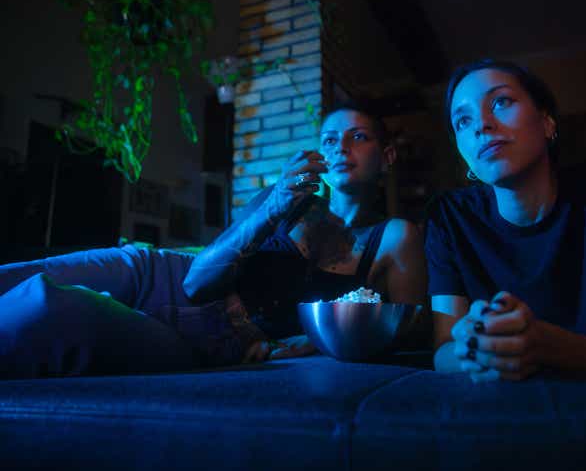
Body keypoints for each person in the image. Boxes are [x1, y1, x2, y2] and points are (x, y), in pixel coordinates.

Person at [0, 104, 426, 377]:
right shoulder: (287, 201)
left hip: (212, 343)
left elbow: (404, 338)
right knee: (13, 278)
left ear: (386, 156)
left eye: (358, 137)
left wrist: (307, 348)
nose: (340, 148)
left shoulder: (394, 237)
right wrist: (273, 206)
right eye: (330, 139)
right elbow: (197, 280)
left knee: (45, 307)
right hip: (158, 273)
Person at [426, 59, 586, 382]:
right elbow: (444, 351)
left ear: (547, 122)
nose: (481, 126)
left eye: (501, 102)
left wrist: (543, 345)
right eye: (462, 121)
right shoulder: (449, 216)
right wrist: (483, 353)